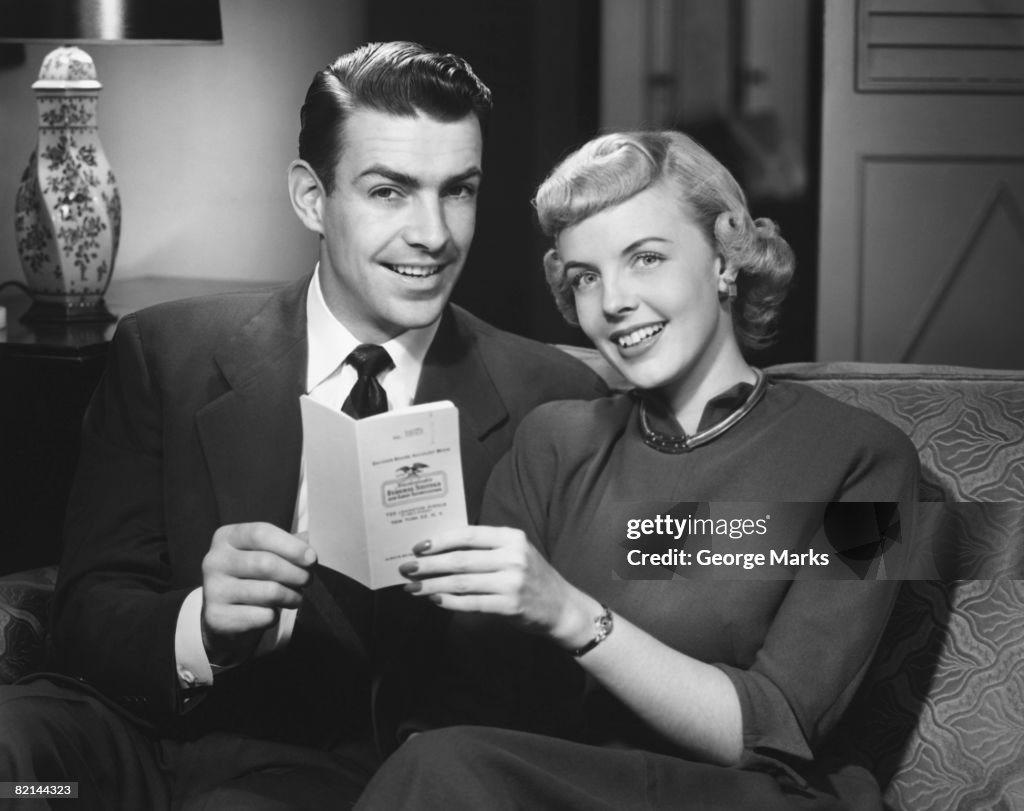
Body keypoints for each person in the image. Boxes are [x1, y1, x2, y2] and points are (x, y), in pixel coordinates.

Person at [0, 41, 605, 809]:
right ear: (310, 199)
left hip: (326, 771)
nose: (433, 234)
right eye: (389, 191)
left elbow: (567, 688)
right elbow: (86, 609)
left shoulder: (551, 397)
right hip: (125, 740)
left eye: (458, 191)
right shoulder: (168, 351)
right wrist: (200, 625)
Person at [354, 130, 920, 810]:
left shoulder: (870, 460)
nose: (613, 301)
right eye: (585, 276)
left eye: (646, 257)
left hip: (746, 796)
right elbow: (472, 703)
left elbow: (778, 726)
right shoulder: (553, 443)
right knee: (436, 760)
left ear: (724, 254)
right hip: (545, 787)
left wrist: (569, 612)